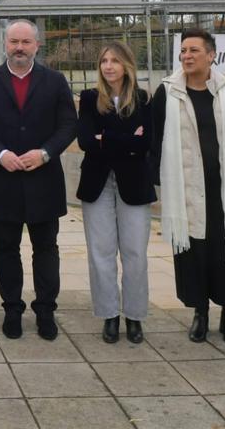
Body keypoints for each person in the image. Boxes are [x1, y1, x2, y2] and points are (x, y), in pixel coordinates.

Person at [0, 19, 77, 341]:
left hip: (43, 181)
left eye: (25, 42)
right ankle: (12, 309)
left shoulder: (55, 81)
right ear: (5, 45)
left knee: (46, 250)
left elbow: (68, 125)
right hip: (4, 180)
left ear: (37, 46)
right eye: (14, 41)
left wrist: (45, 153)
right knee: (6, 250)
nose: (19, 48)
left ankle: (45, 311)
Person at [150, 27, 225, 346]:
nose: (187, 56)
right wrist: (158, 179)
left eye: (194, 50)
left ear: (211, 55)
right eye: (183, 50)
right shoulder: (167, 91)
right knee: (196, 252)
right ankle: (201, 314)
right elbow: (154, 138)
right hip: (186, 187)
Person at [76, 41, 155, 344]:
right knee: (101, 254)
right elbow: (85, 140)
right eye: (104, 61)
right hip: (97, 184)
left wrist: (105, 137)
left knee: (135, 253)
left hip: (134, 184)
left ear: (127, 65)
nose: (108, 66)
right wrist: (124, 138)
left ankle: (135, 316)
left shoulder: (145, 99)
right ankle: (109, 314)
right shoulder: (89, 98)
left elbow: (144, 143)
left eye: (115, 61)